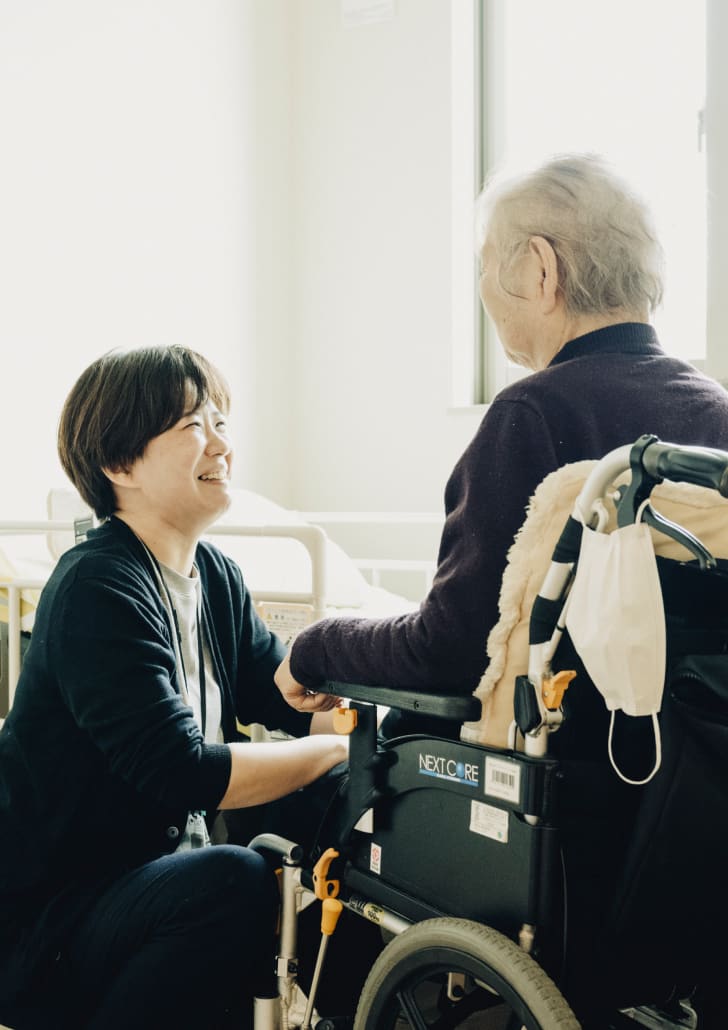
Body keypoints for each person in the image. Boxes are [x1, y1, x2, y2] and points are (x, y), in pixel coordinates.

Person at [275, 151, 728, 742]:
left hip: (546, 782)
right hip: (679, 780)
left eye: (485, 265)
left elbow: (450, 654)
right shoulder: (716, 415)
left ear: (540, 271)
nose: (484, 289)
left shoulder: (531, 415)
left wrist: (317, 645)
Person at [0, 346, 346, 1030]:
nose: (222, 444)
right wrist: (335, 753)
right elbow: (182, 771)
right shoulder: (96, 587)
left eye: (221, 421)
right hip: (53, 919)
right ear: (118, 464)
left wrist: (369, 730)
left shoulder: (214, 576)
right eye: (194, 425)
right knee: (233, 881)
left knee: (354, 800)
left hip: (145, 890)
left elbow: (279, 698)